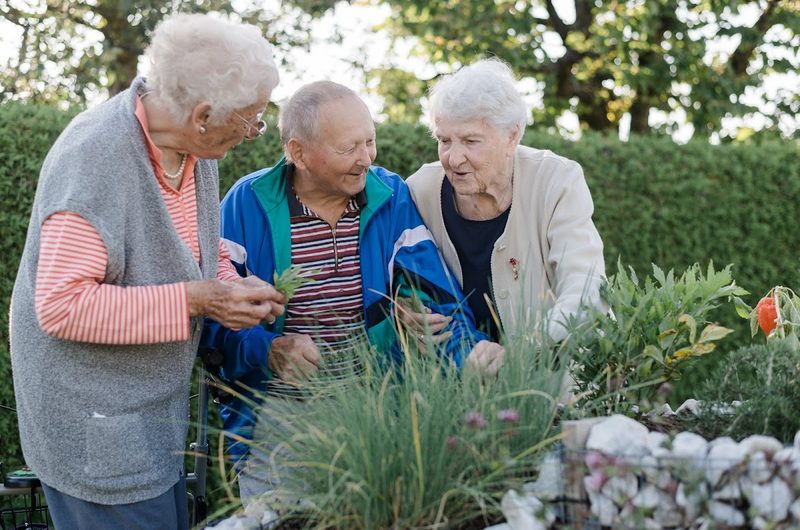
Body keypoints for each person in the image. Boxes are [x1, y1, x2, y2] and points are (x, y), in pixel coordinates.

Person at [9, 13, 285, 530]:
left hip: (145, 420)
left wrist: (229, 283)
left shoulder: (195, 147)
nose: (253, 134)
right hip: (95, 425)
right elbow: (61, 306)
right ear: (203, 113)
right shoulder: (95, 161)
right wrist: (198, 299)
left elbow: (192, 243)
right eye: (251, 119)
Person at [201, 80, 500, 503]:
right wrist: (266, 349)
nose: (366, 159)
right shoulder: (244, 204)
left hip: (376, 413)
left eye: (370, 142)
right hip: (278, 426)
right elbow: (210, 325)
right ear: (298, 152)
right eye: (349, 149)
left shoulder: (390, 196)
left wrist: (468, 350)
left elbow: (438, 301)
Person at [405, 58, 605, 347]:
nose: (453, 157)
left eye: (471, 141)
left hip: (551, 378)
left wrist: (518, 354)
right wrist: (404, 310)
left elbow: (585, 289)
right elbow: (395, 278)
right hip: (458, 383)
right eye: (444, 140)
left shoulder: (557, 181)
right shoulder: (420, 190)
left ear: (512, 136)